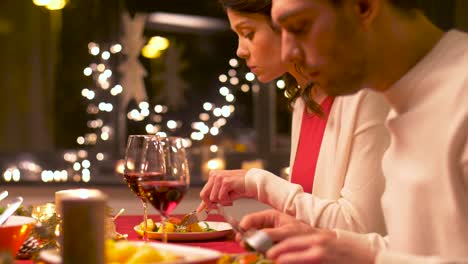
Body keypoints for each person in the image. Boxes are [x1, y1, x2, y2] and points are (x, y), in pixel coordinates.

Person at [239, 0, 468, 263]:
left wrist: (372, 260)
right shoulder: (406, 96)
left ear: (363, 6)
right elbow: (425, 248)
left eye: (300, 27)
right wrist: (333, 241)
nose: (288, 52)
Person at [199, 0, 390, 234]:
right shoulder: (303, 103)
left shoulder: (367, 96)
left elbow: (359, 229)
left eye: (248, 33)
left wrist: (257, 182)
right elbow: (310, 220)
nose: (240, 50)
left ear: (289, 24)